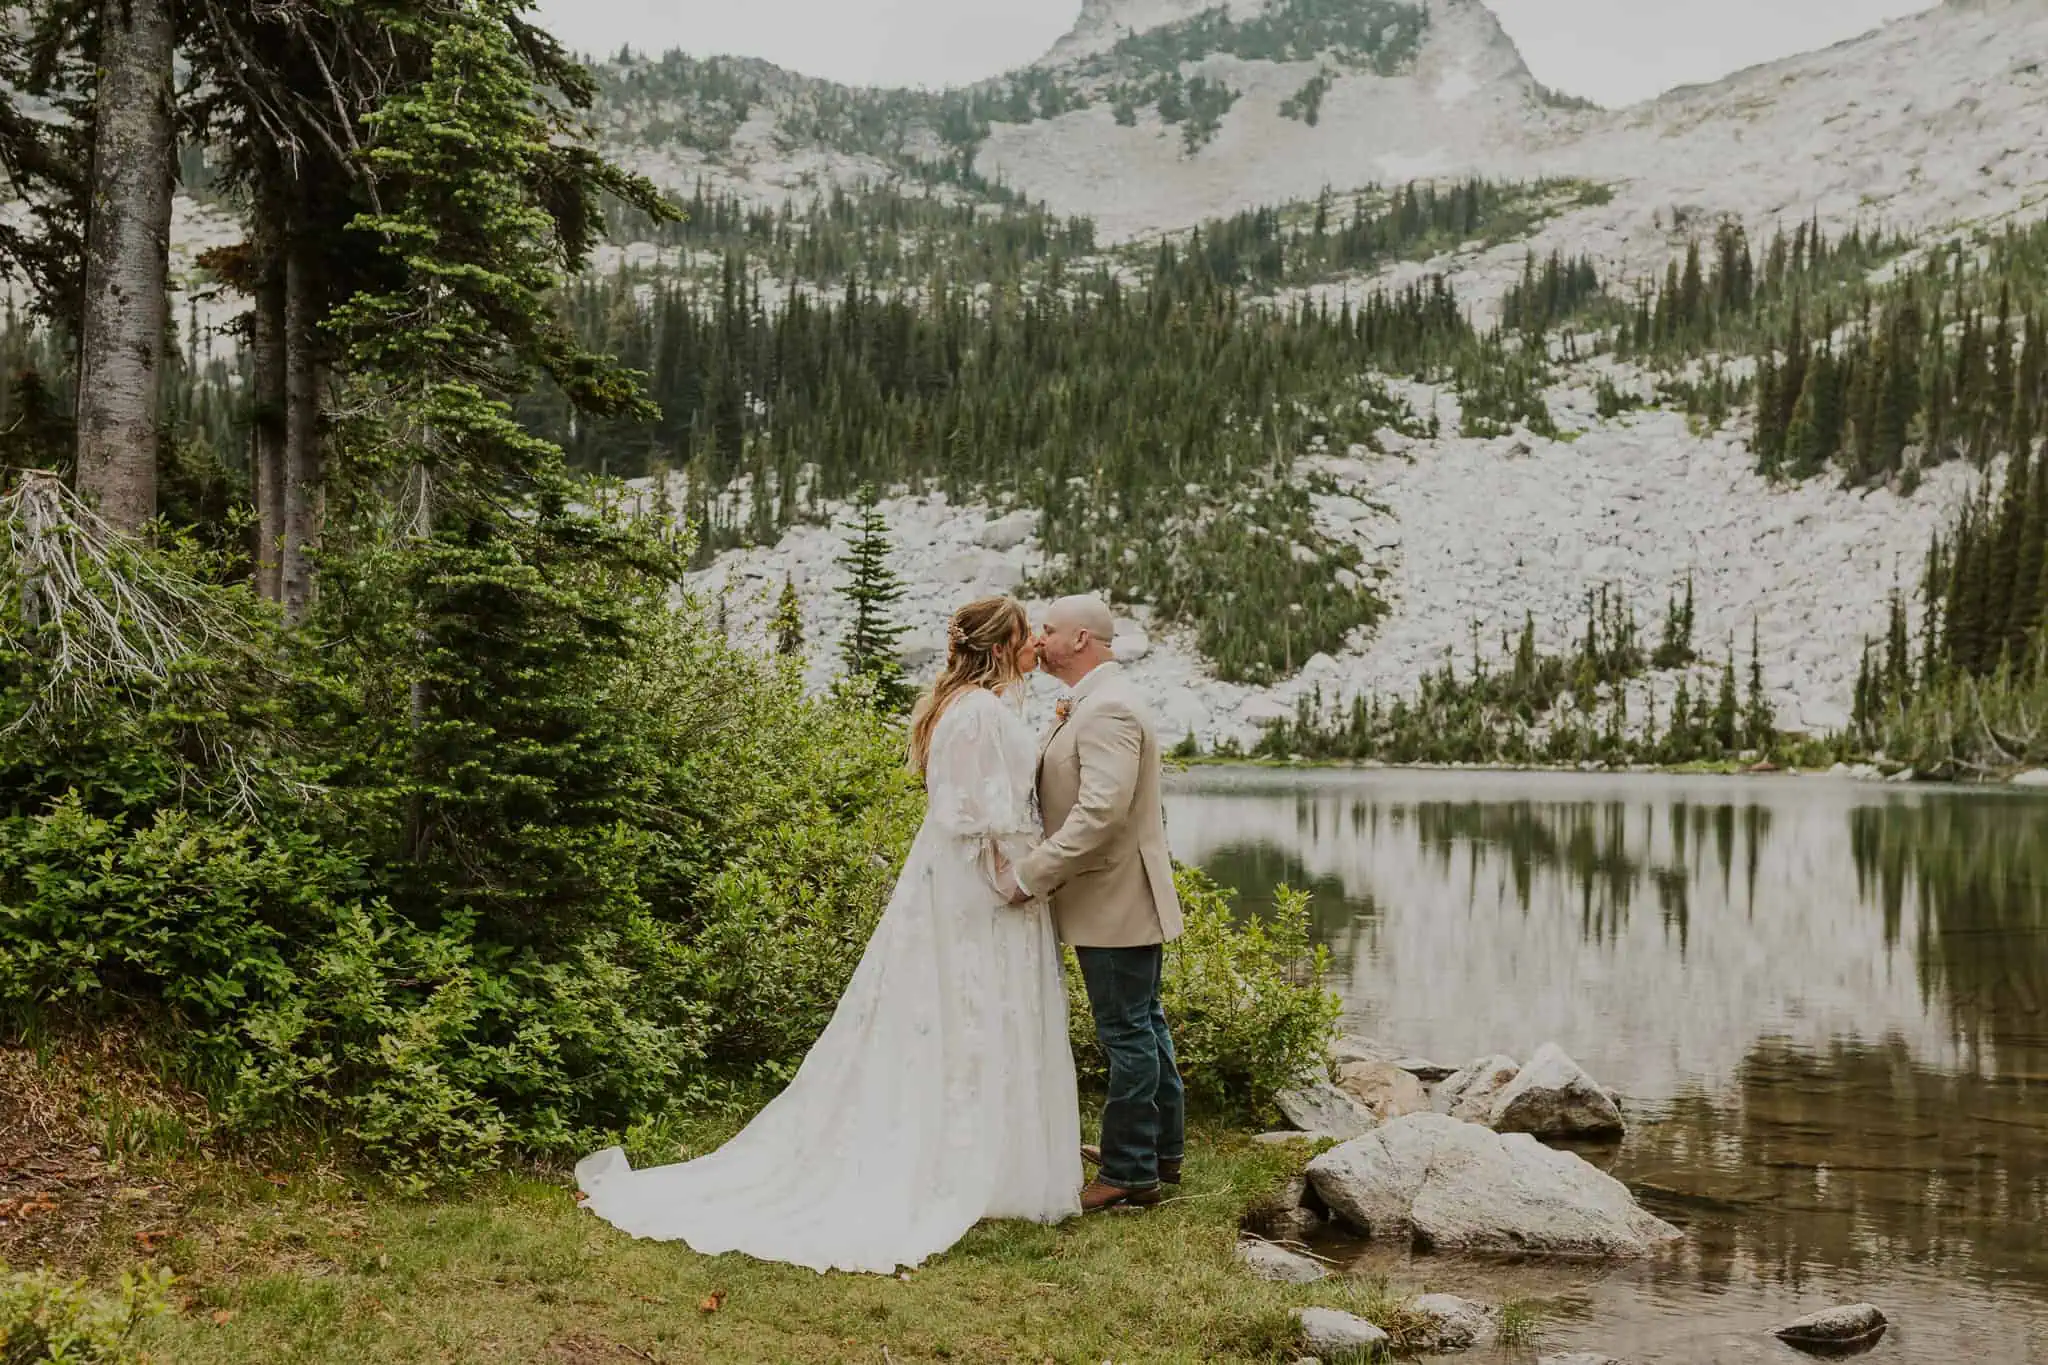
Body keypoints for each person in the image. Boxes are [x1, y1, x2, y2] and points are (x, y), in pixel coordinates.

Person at [575, 595, 1081, 1273]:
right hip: (981, 892)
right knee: (972, 1011)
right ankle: (973, 1161)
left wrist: (1048, 729)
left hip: (953, 882)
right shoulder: (981, 711)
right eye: (1025, 636)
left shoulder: (971, 707)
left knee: (958, 1017)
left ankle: (985, 1158)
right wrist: (1015, 881)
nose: (1035, 647)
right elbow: (978, 816)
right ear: (998, 648)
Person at [999, 595, 1186, 1213]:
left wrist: (1033, 873)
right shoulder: (1100, 702)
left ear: (1080, 639)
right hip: (1119, 894)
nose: (1040, 639)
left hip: (1113, 896)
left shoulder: (1107, 709)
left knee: (1126, 1030)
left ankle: (1131, 1172)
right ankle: (1159, 1151)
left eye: (1049, 630)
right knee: (1144, 1021)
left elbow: (1100, 812)